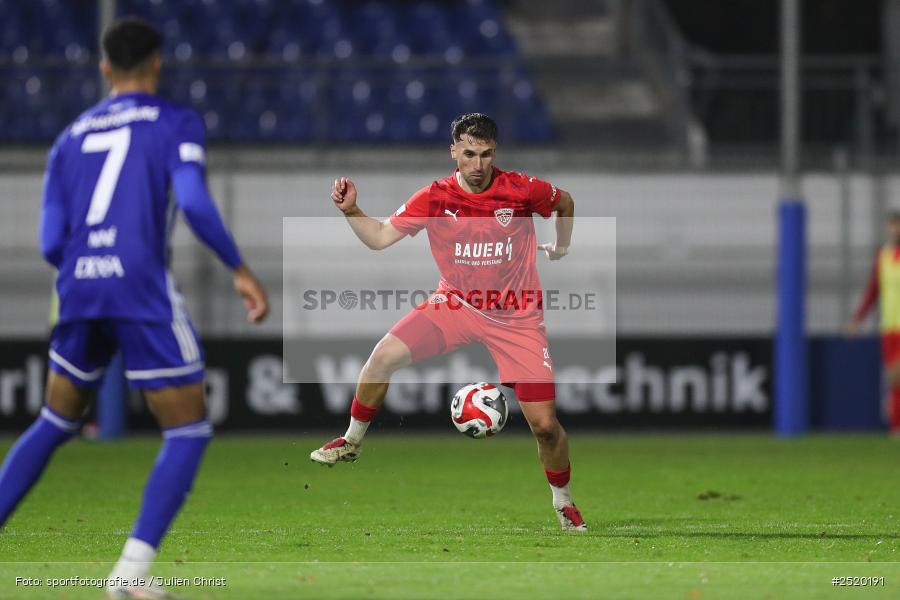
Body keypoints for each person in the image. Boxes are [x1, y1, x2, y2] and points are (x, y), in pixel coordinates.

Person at [0, 18, 269, 599]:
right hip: (138, 285)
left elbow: (51, 241)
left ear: (104, 69)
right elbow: (193, 201)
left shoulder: (67, 138)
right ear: (156, 64)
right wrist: (240, 269)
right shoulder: (174, 122)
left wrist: (87, 269)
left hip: (78, 285)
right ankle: (128, 578)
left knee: (54, 420)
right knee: (188, 429)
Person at [310, 113, 585, 531]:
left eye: (486, 154)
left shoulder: (522, 190)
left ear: (496, 152)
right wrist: (352, 211)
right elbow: (381, 237)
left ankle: (563, 502)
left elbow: (565, 201)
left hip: (516, 315)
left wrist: (562, 247)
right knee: (381, 358)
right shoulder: (434, 198)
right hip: (455, 304)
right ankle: (351, 441)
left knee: (546, 427)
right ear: (454, 151)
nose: (478, 164)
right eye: (469, 154)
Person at [847, 212, 900, 434]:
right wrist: (857, 319)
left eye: (897, 225)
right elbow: (872, 292)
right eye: (891, 225)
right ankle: (896, 426)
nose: (894, 230)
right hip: (889, 325)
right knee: (893, 379)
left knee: (898, 373)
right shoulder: (883, 257)